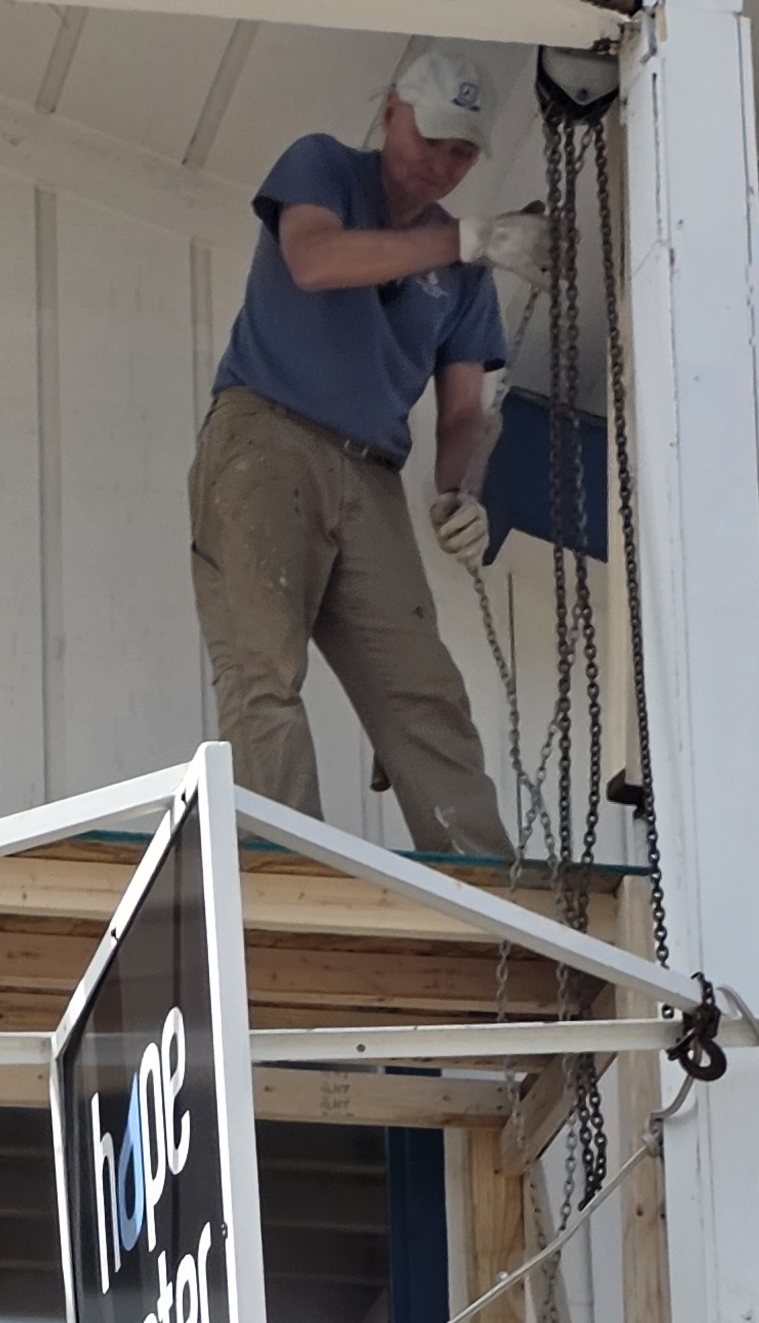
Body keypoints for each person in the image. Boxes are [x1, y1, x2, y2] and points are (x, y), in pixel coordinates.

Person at [189, 44, 546, 857]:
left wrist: (461, 495)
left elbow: (462, 414)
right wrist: (466, 241)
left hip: (373, 474)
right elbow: (314, 259)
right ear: (391, 113)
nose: (441, 164)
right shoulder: (322, 167)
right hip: (265, 434)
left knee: (424, 689)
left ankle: (484, 892)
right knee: (264, 667)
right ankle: (282, 874)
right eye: (431, 138)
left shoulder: (467, 270)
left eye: (462, 153)